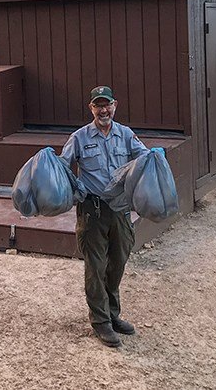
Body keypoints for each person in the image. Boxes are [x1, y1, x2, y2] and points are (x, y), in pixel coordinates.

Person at [60, 85, 149, 347]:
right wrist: (72, 189)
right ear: (91, 109)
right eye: (98, 105)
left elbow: (143, 158)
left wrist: (154, 159)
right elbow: (64, 167)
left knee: (118, 263)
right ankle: (100, 322)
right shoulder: (78, 138)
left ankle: (112, 314)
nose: (103, 110)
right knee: (95, 267)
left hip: (120, 210)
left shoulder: (126, 135)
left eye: (107, 104)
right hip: (93, 210)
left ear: (115, 105)